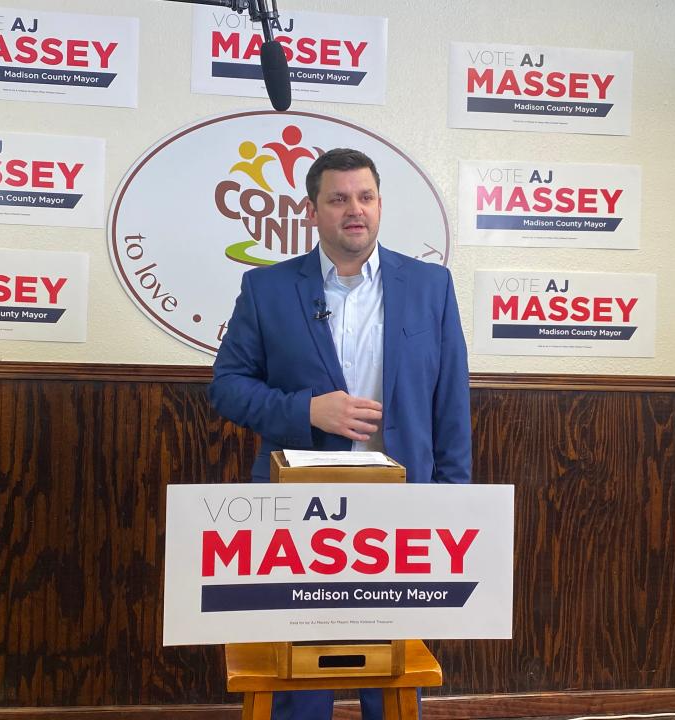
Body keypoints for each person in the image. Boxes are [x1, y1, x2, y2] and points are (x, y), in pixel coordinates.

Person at [208, 148, 472, 720]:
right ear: (312, 210)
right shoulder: (267, 289)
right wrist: (308, 411)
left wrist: (454, 502)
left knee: (395, 675)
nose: (355, 210)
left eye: (366, 196)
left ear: (379, 204)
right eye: (339, 198)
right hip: (300, 517)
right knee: (298, 676)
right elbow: (226, 388)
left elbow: (450, 403)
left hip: (400, 516)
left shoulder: (431, 286)